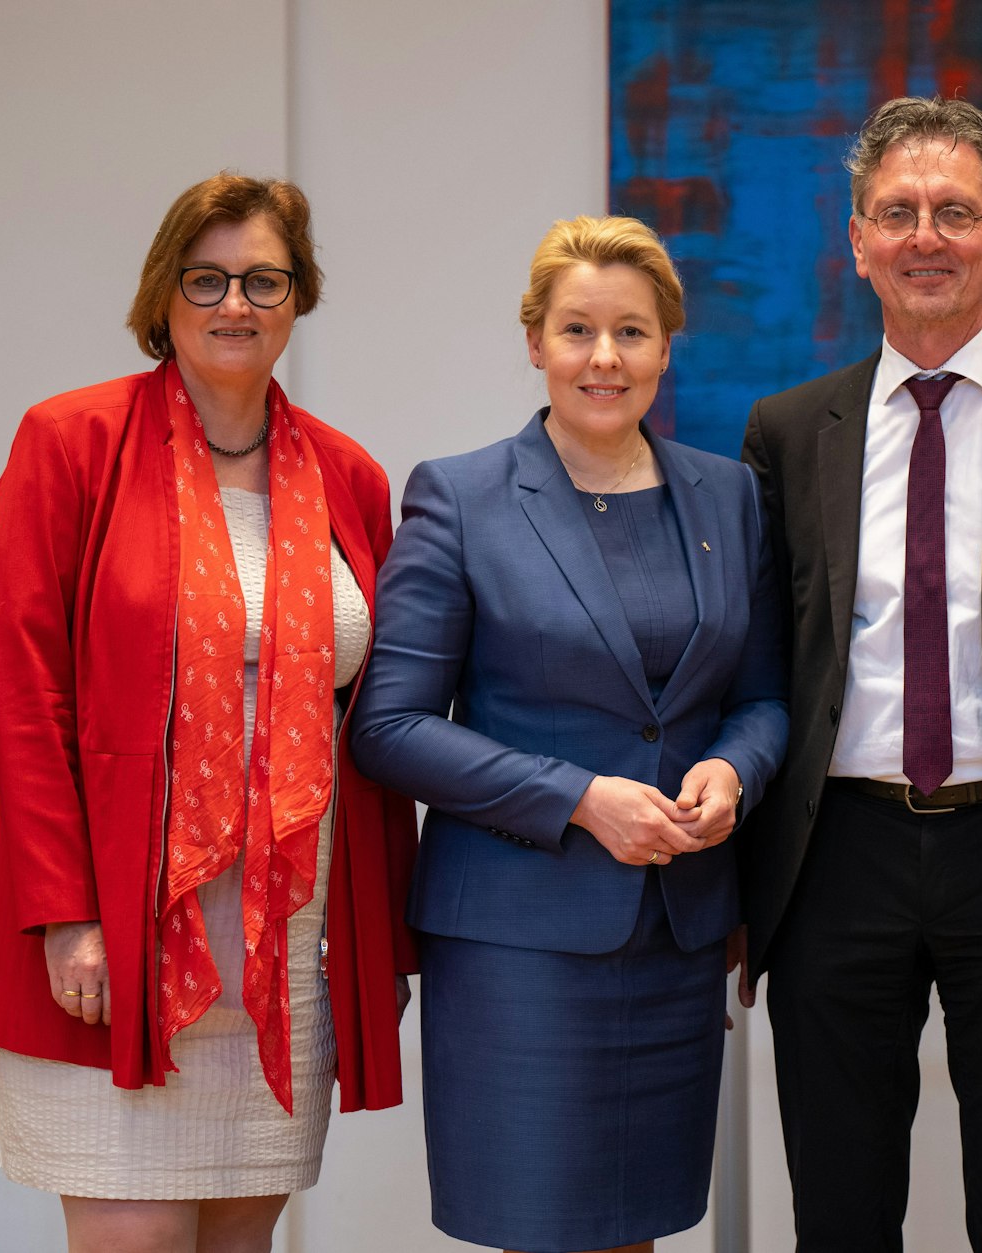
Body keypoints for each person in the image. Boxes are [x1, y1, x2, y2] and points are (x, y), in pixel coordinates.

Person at [0, 173, 418, 1252]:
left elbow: (377, 713)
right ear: (163, 294)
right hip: (116, 939)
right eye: (206, 277)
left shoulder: (347, 475)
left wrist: (377, 942)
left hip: (285, 951)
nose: (235, 304)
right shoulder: (73, 440)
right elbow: (17, 683)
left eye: (264, 278)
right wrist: (68, 911)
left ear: (297, 296)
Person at [739, 96, 982, 1252]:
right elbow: (764, 657)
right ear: (855, 239)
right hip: (835, 856)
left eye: (954, 212)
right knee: (840, 1204)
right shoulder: (786, 428)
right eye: (897, 212)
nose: (926, 235)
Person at [349, 214, 787, 1253]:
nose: (604, 357)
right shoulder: (459, 496)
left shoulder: (727, 493)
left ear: (666, 345)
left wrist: (733, 767)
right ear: (535, 341)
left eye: (631, 332)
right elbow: (389, 724)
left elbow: (766, 694)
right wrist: (579, 797)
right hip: (516, 943)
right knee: (540, 1227)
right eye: (578, 329)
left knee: (634, 1230)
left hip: (673, 939)